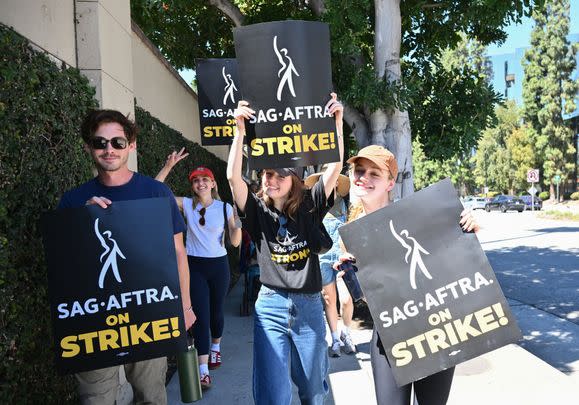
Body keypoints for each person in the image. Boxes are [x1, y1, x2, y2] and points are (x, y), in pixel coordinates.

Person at [57, 109, 195, 405]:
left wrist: (185, 306)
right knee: (96, 400)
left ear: (131, 146)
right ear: (88, 147)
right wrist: (81, 220)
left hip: (149, 317)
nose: (109, 149)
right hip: (94, 326)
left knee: (151, 397)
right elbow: (68, 268)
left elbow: (178, 253)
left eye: (118, 142)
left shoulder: (157, 193)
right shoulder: (72, 201)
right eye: (100, 142)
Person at [336, 145, 479, 405]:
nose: (363, 178)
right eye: (359, 171)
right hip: (390, 338)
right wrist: (353, 278)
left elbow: (455, 266)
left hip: (436, 331)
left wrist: (468, 227)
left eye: (373, 173)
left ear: (390, 183)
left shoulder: (420, 216)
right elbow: (369, 303)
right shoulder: (351, 233)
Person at [227, 93, 344, 405]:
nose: (272, 180)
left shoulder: (310, 205)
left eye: (280, 175)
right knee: (273, 394)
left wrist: (336, 124)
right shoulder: (256, 212)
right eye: (267, 174)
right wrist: (239, 131)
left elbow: (334, 168)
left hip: (308, 306)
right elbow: (232, 177)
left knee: (313, 390)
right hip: (270, 305)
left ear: (295, 179)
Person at [156, 151, 242, 389]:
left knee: (216, 313)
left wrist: (237, 225)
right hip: (194, 266)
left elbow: (234, 242)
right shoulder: (186, 205)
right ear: (192, 187)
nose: (200, 182)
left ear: (213, 183)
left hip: (219, 266)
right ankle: (203, 370)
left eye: (205, 179)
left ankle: (216, 347)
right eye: (196, 180)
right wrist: (168, 165)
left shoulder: (225, 208)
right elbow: (155, 191)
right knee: (200, 316)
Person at [304, 172, 356, 357]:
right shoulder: (313, 207)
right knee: (329, 300)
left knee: (347, 299)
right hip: (322, 258)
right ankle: (334, 339)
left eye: (331, 182)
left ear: (336, 185)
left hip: (342, 257)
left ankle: (346, 333)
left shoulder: (346, 204)